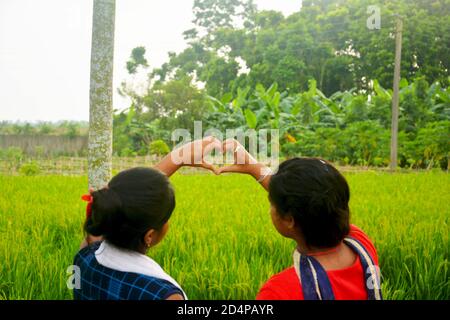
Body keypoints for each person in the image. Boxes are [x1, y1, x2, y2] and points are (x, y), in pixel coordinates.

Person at [218, 139, 383, 300]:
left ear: (289, 220)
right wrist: (254, 168)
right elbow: (318, 203)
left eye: (272, 202)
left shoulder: (280, 291)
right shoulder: (360, 241)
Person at [73, 137, 221, 300]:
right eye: (166, 217)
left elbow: (122, 199)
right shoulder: (163, 294)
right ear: (149, 236)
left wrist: (179, 157)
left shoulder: (85, 256)